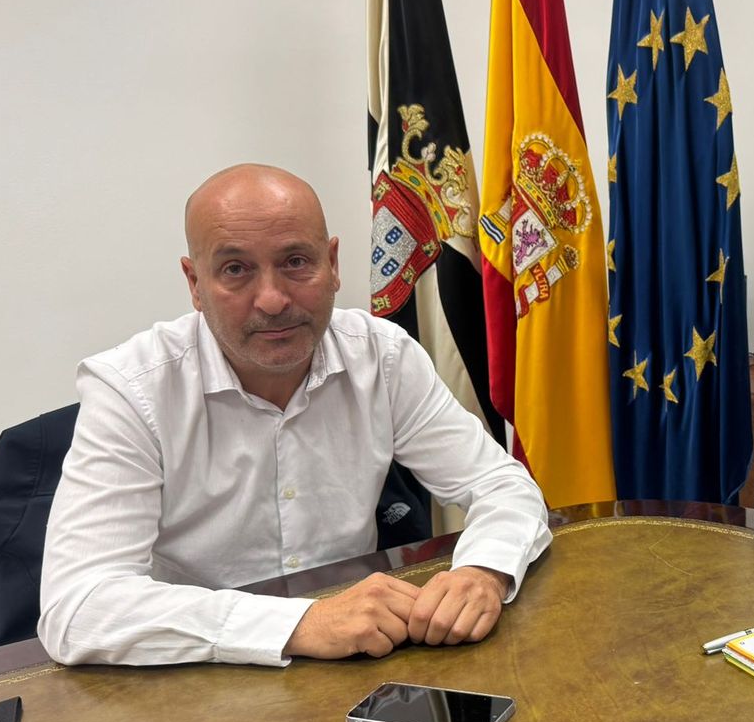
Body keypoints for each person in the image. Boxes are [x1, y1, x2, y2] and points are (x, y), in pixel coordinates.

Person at [39, 164, 551, 668]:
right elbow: (77, 607)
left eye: (296, 261)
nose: (273, 299)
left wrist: (484, 570)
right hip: (197, 677)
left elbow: (502, 486)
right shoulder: (132, 390)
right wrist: (299, 624)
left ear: (332, 264)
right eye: (235, 269)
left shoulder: (383, 357)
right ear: (195, 284)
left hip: (361, 661)